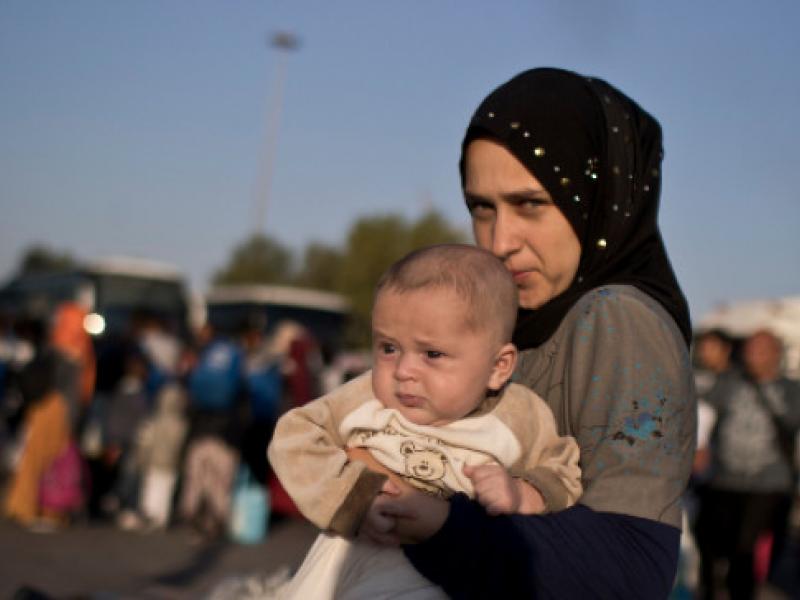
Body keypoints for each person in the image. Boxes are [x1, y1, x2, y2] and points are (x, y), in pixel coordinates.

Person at [355, 68, 697, 599]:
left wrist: (442, 526)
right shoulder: (512, 321)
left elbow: (633, 565)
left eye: (530, 204)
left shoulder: (615, 318)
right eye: (481, 208)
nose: (500, 241)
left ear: (599, 196)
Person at [268, 244, 582, 599]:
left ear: (498, 367)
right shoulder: (365, 396)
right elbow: (294, 436)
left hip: (432, 580)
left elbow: (564, 468)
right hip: (340, 563)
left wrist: (523, 493)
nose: (403, 372)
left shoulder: (519, 413)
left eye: (432, 354)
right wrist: (354, 498)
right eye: (389, 348)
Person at [696, 330, 800, 599]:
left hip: (769, 485)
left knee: (746, 550)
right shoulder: (729, 382)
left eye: (761, 349)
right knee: (711, 542)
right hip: (724, 481)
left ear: (776, 353)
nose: (753, 354)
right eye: (750, 348)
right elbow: (704, 414)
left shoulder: (792, 391)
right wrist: (700, 447)